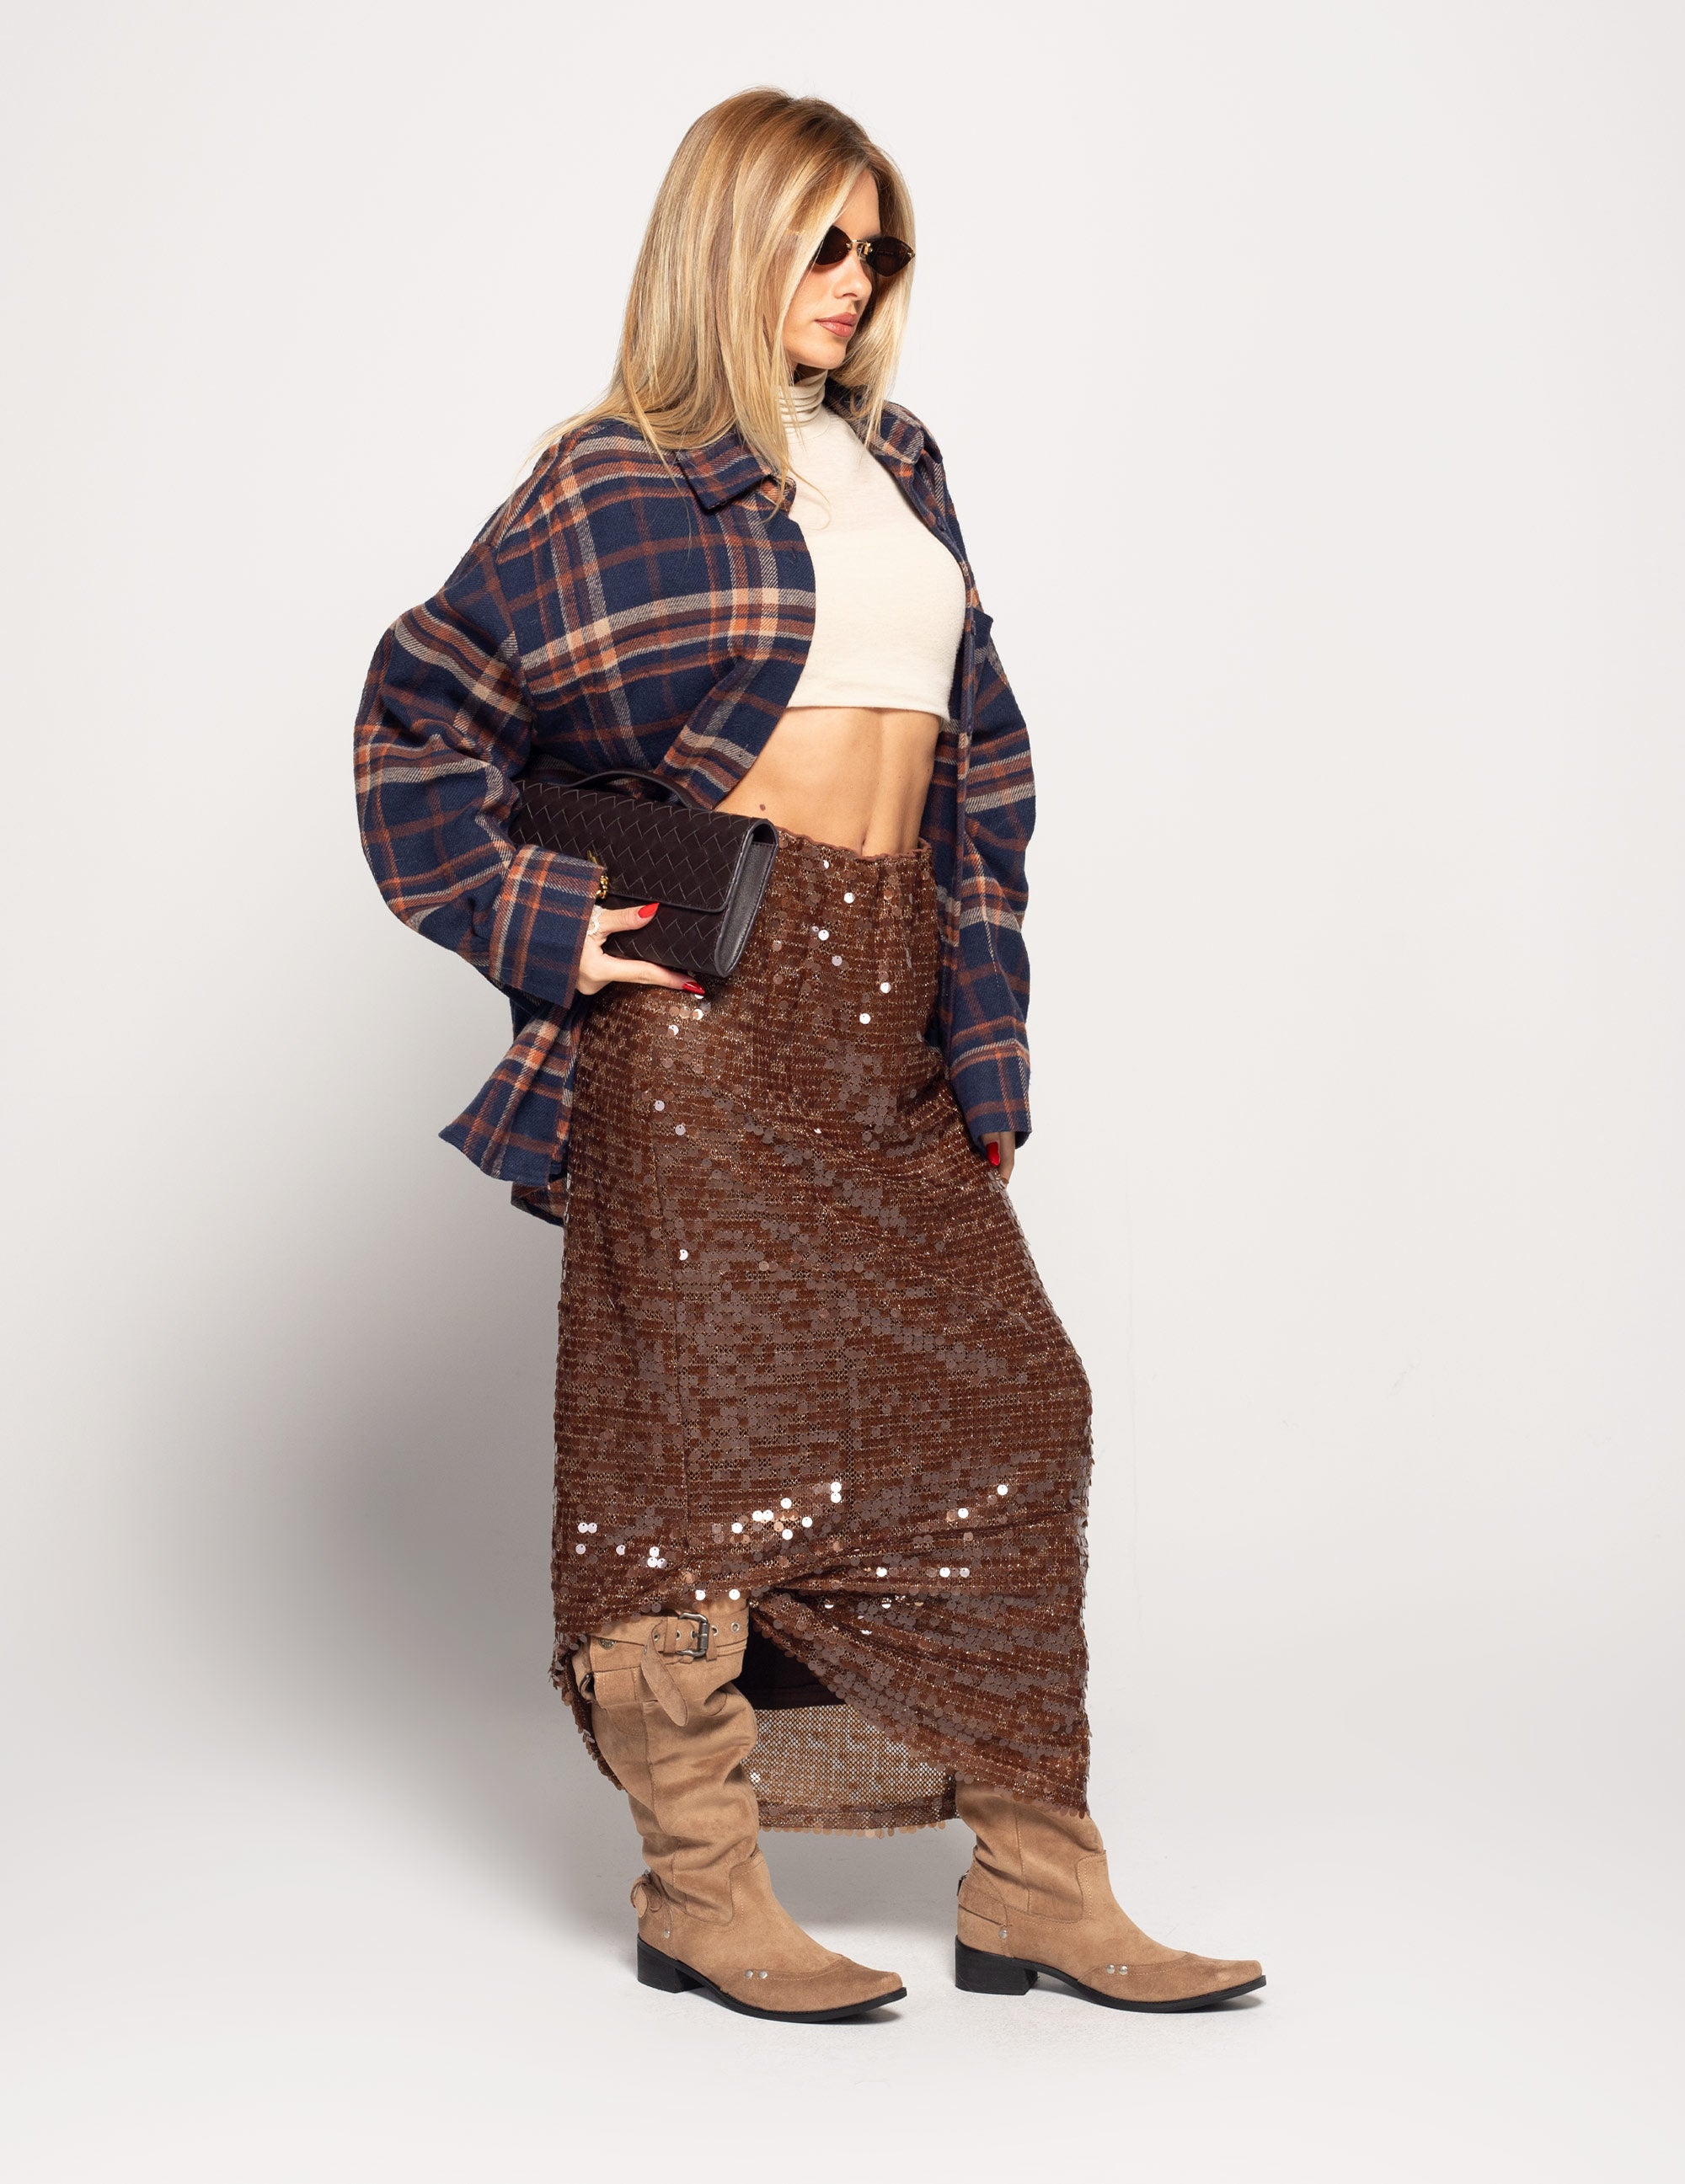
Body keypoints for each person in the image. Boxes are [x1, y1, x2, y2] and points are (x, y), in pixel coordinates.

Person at [355, 86, 1264, 2023]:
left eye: (877, 246)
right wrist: (543, 922)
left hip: (889, 1008)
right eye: (819, 241)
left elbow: (982, 773)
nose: (854, 279)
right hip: (702, 1014)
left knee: (1016, 1413)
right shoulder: (609, 480)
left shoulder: (904, 462)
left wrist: (985, 1049)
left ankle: (1037, 1885)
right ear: (728, 241)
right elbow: (418, 717)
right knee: (690, 1461)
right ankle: (702, 1888)